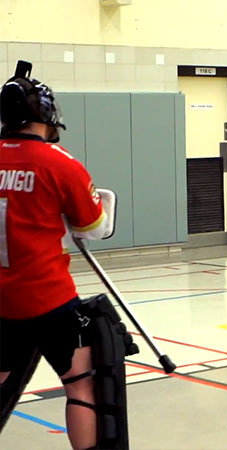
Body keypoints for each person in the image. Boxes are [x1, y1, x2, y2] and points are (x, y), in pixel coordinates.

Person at [0, 62, 116, 449]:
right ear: (46, 116)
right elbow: (94, 226)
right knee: (80, 385)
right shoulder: (60, 163)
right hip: (49, 299)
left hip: (2, 303)